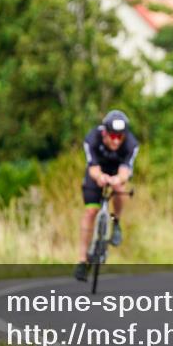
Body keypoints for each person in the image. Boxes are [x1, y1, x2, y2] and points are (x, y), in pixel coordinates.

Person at [74, 109, 139, 282]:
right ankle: (82, 261)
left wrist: (117, 179)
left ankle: (115, 221)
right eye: (113, 136)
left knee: (119, 187)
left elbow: (125, 171)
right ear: (104, 132)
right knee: (90, 212)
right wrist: (100, 177)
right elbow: (93, 168)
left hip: (116, 172)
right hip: (97, 173)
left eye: (120, 137)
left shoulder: (131, 144)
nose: (116, 140)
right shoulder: (92, 139)